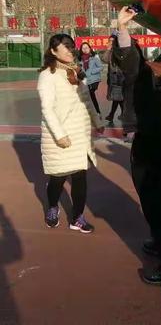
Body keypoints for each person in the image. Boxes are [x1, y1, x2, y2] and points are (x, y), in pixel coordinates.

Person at [112, 10, 161, 285]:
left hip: (150, 148)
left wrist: (122, 28)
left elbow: (131, 60)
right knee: (160, 201)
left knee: (154, 207)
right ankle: (158, 241)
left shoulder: (145, 77)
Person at [38, 34, 104, 233]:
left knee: (80, 177)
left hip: (80, 135)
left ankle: (77, 217)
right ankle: (52, 207)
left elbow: (87, 100)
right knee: (57, 178)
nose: (69, 50)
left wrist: (97, 121)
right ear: (53, 51)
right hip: (60, 136)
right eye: (64, 47)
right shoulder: (47, 76)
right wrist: (60, 135)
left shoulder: (76, 72)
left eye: (70, 46)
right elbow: (47, 109)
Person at [101, 34, 124, 124]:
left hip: (120, 78)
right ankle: (117, 114)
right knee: (118, 97)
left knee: (118, 97)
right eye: (109, 40)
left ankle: (113, 115)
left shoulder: (121, 51)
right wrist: (108, 49)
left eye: (112, 41)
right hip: (113, 78)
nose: (111, 42)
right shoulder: (110, 51)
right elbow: (105, 59)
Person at [78, 42, 103, 115]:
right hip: (86, 80)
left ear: (90, 48)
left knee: (90, 93)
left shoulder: (95, 57)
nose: (85, 49)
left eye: (86, 48)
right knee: (90, 95)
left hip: (94, 79)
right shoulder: (80, 59)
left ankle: (96, 112)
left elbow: (101, 67)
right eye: (83, 48)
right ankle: (96, 112)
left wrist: (92, 71)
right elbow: (80, 69)